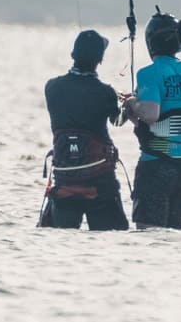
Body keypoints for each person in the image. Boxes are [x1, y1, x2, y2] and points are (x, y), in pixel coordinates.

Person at [121, 10, 181, 229]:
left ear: (151, 42)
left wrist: (131, 103)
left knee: (149, 234)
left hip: (157, 165)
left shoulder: (148, 73)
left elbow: (150, 114)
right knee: (177, 234)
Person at [41, 29, 129, 231]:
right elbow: (117, 121)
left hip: (64, 179)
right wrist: (129, 104)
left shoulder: (51, 87)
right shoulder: (105, 92)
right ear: (100, 60)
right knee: (112, 235)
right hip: (100, 183)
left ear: (72, 55)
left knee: (61, 239)